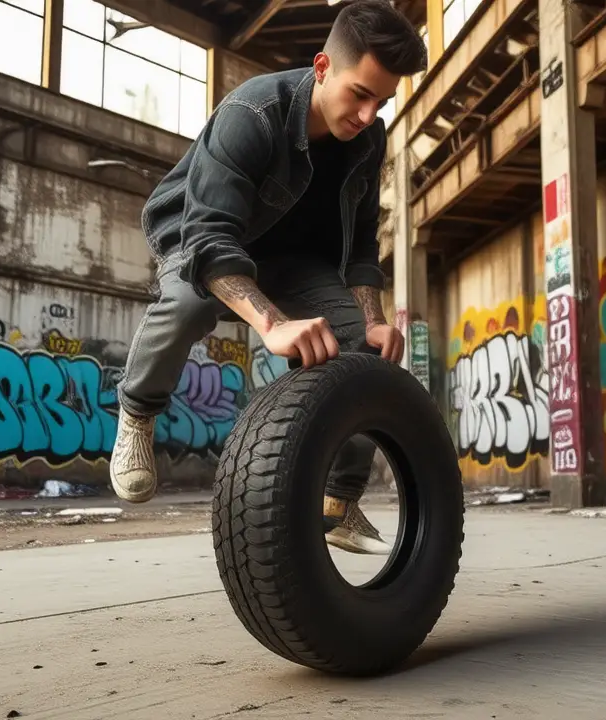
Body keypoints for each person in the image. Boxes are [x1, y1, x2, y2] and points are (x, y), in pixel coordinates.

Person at [110, 0, 427, 555]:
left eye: (382, 101)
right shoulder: (252, 113)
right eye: (359, 94)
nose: (367, 114)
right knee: (190, 305)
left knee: (363, 352)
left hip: (297, 258)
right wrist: (272, 322)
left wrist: (373, 319)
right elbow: (210, 237)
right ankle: (137, 412)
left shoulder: (369, 139)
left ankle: (338, 501)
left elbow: (363, 241)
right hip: (200, 234)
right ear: (322, 67)